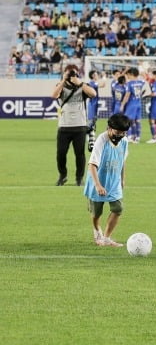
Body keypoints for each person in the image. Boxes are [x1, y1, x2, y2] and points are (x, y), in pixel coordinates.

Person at [84, 113, 131, 247]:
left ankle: (106, 238)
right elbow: (92, 165)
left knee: (118, 208)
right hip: (97, 181)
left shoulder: (124, 141)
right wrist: (98, 185)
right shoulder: (101, 141)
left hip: (114, 182)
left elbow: (122, 161)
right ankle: (96, 231)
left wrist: (122, 179)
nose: (120, 135)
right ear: (109, 128)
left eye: (123, 133)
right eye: (117, 132)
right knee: (96, 213)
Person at [52, 64, 97, 186]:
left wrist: (80, 83)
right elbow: (54, 95)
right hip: (64, 126)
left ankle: (79, 178)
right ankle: (63, 175)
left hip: (80, 126)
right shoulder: (61, 86)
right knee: (61, 153)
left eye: (73, 73)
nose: (71, 75)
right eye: (69, 73)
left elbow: (93, 94)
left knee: (80, 154)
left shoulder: (82, 87)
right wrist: (63, 80)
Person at [120, 67, 146, 143]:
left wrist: (122, 104)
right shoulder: (141, 82)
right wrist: (141, 72)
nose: (127, 76)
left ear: (131, 74)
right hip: (138, 104)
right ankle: (137, 137)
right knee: (137, 121)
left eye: (128, 75)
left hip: (132, 104)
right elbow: (145, 77)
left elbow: (127, 95)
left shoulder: (129, 83)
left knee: (128, 120)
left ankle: (130, 136)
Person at [86, 70, 106, 152]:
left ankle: (90, 135)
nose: (97, 75)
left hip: (95, 104)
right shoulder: (92, 83)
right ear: (93, 76)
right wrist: (104, 77)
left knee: (93, 121)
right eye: (96, 74)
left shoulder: (94, 82)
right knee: (91, 121)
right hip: (92, 104)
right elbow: (103, 85)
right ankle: (85, 134)